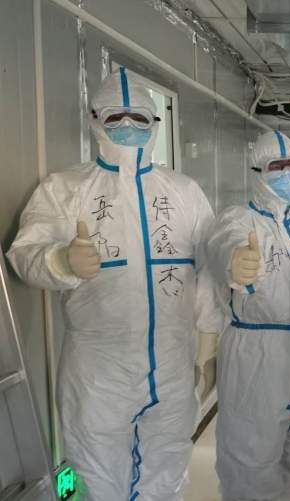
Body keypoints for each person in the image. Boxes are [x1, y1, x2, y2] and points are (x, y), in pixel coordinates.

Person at [7, 67, 222, 500]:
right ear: (94, 121)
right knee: (96, 473)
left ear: (154, 124)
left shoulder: (184, 192)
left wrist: (209, 340)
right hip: (98, 371)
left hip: (172, 363)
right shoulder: (66, 189)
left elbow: (206, 270)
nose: (127, 125)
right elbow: (24, 253)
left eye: (138, 117)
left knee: (166, 471)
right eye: (114, 116)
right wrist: (59, 259)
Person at [206, 129, 290, 501]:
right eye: (277, 166)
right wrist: (235, 261)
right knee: (250, 458)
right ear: (257, 172)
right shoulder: (239, 220)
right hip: (258, 354)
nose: (287, 174)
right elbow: (222, 244)